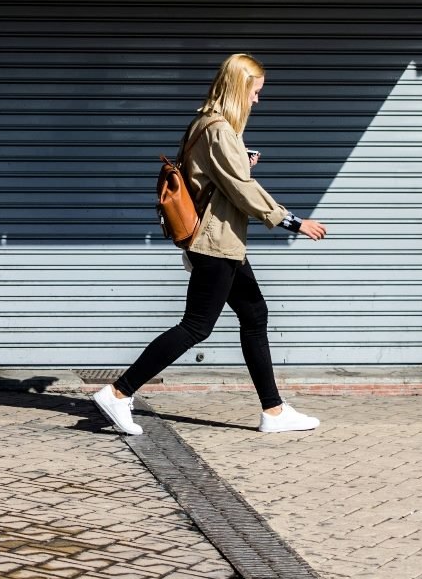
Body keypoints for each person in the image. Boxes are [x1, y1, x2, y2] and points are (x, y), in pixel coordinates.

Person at [93, 53, 327, 435]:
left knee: (254, 314)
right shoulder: (219, 130)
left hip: (223, 242)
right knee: (196, 326)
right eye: (255, 92)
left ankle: (274, 411)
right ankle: (119, 393)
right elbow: (242, 190)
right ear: (238, 88)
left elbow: (215, 177)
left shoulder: (205, 124)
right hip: (215, 243)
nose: (257, 100)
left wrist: (240, 162)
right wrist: (293, 221)